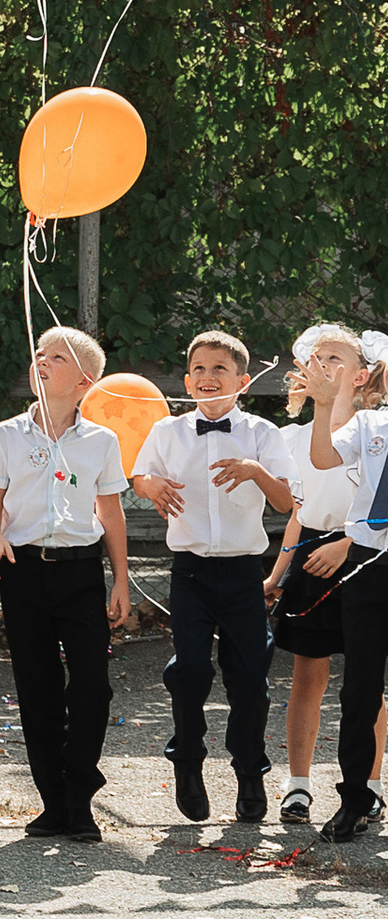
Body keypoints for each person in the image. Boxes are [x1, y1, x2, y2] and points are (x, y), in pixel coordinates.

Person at [129, 329, 293, 825]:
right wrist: (148, 482)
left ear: (243, 381)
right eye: (198, 369)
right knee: (191, 671)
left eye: (219, 368)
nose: (207, 377)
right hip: (191, 571)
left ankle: (249, 773)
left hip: (244, 572)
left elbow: (286, 501)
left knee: (249, 680)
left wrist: (255, 472)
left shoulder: (264, 434)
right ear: (186, 379)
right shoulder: (168, 432)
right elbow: (139, 477)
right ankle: (187, 763)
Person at [0, 326, 131, 842]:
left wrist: (121, 580)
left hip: (81, 571)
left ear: (84, 380)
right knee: (37, 687)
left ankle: (80, 792)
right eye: (38, 354)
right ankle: (54, 803)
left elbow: (110, 512)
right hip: (24, 572)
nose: (40, 361)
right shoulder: (4, 436)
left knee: (93, 685)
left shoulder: (102, 442)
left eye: (56, 357)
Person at [267, 327, 388, 827]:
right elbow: (315, 479)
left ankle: (370, 787)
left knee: (369, 684)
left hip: (356, 551)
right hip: (354, 558)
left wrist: (348, 542)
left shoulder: (371, 419)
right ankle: (335, 792)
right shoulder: (366, 427)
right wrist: (279, 572)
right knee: (345, 682)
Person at [305, 336, 388, 841]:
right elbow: (322, 459)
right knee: (359, 686)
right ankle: (355, 798)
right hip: (370, 560)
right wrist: (320, 404)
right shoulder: (370, 424)